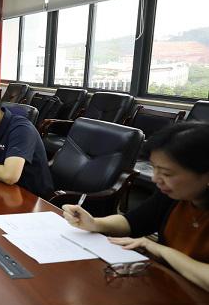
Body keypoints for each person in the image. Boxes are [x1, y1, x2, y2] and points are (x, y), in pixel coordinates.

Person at [63, 122, 209, 291]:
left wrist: (160, 250)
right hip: (169, 285)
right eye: (154, 168)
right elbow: (133, 222)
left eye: (167, 173)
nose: (155, 179)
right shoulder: (174, 195)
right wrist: (95, 223)